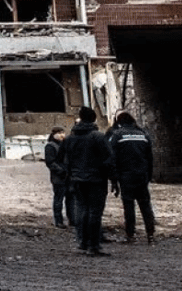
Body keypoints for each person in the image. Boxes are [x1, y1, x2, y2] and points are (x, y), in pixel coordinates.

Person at [61, 106, 114, 256]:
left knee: (81, 210)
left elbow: (63, 159)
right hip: (96, 180)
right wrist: (113, 179)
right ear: (93, 119)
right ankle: (93, 246)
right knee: (95, 212)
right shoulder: (97, 136)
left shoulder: (70, 138)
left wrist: (70, 174)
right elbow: (109, 158)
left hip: (77, 179)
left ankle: (82, 242)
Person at [106, 111, 155, 243]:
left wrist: (114, 180)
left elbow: (112, 158)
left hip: (126, 176)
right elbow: (150, 158)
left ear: (119, 122)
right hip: (142, 176)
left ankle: (130, 235)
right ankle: (150, 234)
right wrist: (149, 176)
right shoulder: (143, 134)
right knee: (145, 206)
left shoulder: (117, 135)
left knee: (129, 206)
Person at [44, 126, 74, 229]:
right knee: (59, 199)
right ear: (54, 134)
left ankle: (72, 220)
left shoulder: (65, 144)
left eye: (63, 132)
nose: (62, 135)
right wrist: (61, 170)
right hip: (58, 177)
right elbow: (50, 162)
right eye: (59, 133)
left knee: (70, 200)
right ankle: (58, 221)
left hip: (68, 177)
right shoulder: (50, 146)